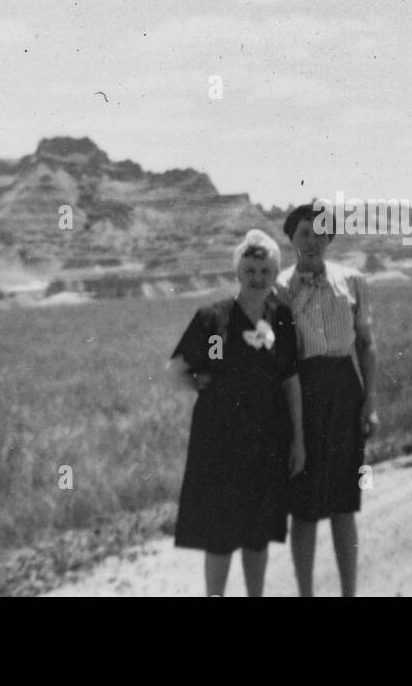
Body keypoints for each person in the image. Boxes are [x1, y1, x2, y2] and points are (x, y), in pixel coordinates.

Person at [167, 229, 305, 596]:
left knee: (257, 533)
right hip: (220, 442)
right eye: (250, 270)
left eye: (265, 271)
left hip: (267, 437)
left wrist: (299, 442)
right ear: (237, 272)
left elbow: (290, 379)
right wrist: (202, 387)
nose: (257, 278)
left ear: (275, 273)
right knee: (220, 533)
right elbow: (181, 369)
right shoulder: (215, 321)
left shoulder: (281, 319)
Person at [276, 201, 379, 597]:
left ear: (330, 238)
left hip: (343, 392)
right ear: (291, 239)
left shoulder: (352, 282)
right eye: (304, 233)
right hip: (301, 396)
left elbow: (367, 346)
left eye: (320, 233)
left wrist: (370, 402)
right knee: (303, 509)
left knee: (343, 503)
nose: (313, 240)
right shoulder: (280, 288)